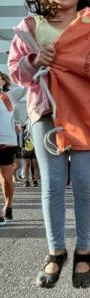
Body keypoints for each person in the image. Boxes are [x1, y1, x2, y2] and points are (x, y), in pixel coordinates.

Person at [8, 0, 90, 288]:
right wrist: (34, 59)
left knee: (84, 182)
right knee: (52, 185)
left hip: (89, 114)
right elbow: (15, 72)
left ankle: (83, 251)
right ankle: (55, 252)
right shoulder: (30, 28)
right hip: (46, 114)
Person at [0, 73, 25, 225]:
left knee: (7, 180)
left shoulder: (11, 95)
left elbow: (25, 85)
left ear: (3, 81)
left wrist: (17, 64)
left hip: (7, 143)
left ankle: (9, 206)